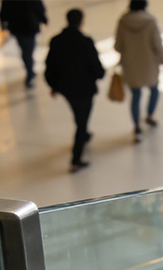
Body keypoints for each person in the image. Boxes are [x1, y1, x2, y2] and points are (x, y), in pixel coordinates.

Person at [45, 9, 105, 172]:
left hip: (67, 89)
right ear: (81, 21)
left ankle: (84, 134)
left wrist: (54, 86)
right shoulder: (85, 41)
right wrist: (100, 75)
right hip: (85, 88)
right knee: (82, 120)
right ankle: (76, 158)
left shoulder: (56, 41)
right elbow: (96, 67)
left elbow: (50, 66)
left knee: (79, 114)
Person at [114, 0, 163, 143]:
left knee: (136, 95)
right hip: (149, 64)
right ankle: (150, 115)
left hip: (130, 65)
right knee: (154, 90)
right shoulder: (150, 21)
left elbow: (117, 46)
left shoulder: (123, 21)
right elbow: (157, 44)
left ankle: (137, 126)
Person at [0, 0, 47, 89]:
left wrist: (4, 24)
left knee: (27, 51)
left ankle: (30, 70)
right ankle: (30, 73)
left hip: (19, 27)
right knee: (27, 52)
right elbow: (39, 7)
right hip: (28, 26)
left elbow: (4, 11)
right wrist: (43, 19)